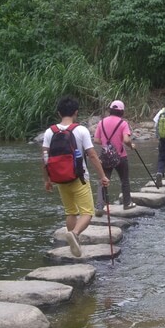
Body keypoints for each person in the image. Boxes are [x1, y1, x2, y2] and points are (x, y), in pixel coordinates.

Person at [42, 96, 109, 257]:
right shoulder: (80, 130)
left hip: (60, 178)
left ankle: (74, 245)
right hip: (79, 177)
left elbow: (44, 157)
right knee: (87, 213)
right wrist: (103, 176)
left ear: (59, 113)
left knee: (70, 212)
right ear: (76, 113)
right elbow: (92, 155)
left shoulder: (49, 131)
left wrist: (47, 179)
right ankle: (75, 234)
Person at [93, 100, 137, 215]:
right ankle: (127, 203)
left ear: (110, 110)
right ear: (122, 111)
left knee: (103, 180)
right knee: (124, 180)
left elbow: (96, 140)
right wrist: (131, 146)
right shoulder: (123, 123)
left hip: (106, 156)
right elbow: (126, 140)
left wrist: (106, 144)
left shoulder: (101, 122)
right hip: (120, 156)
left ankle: (99, 206)